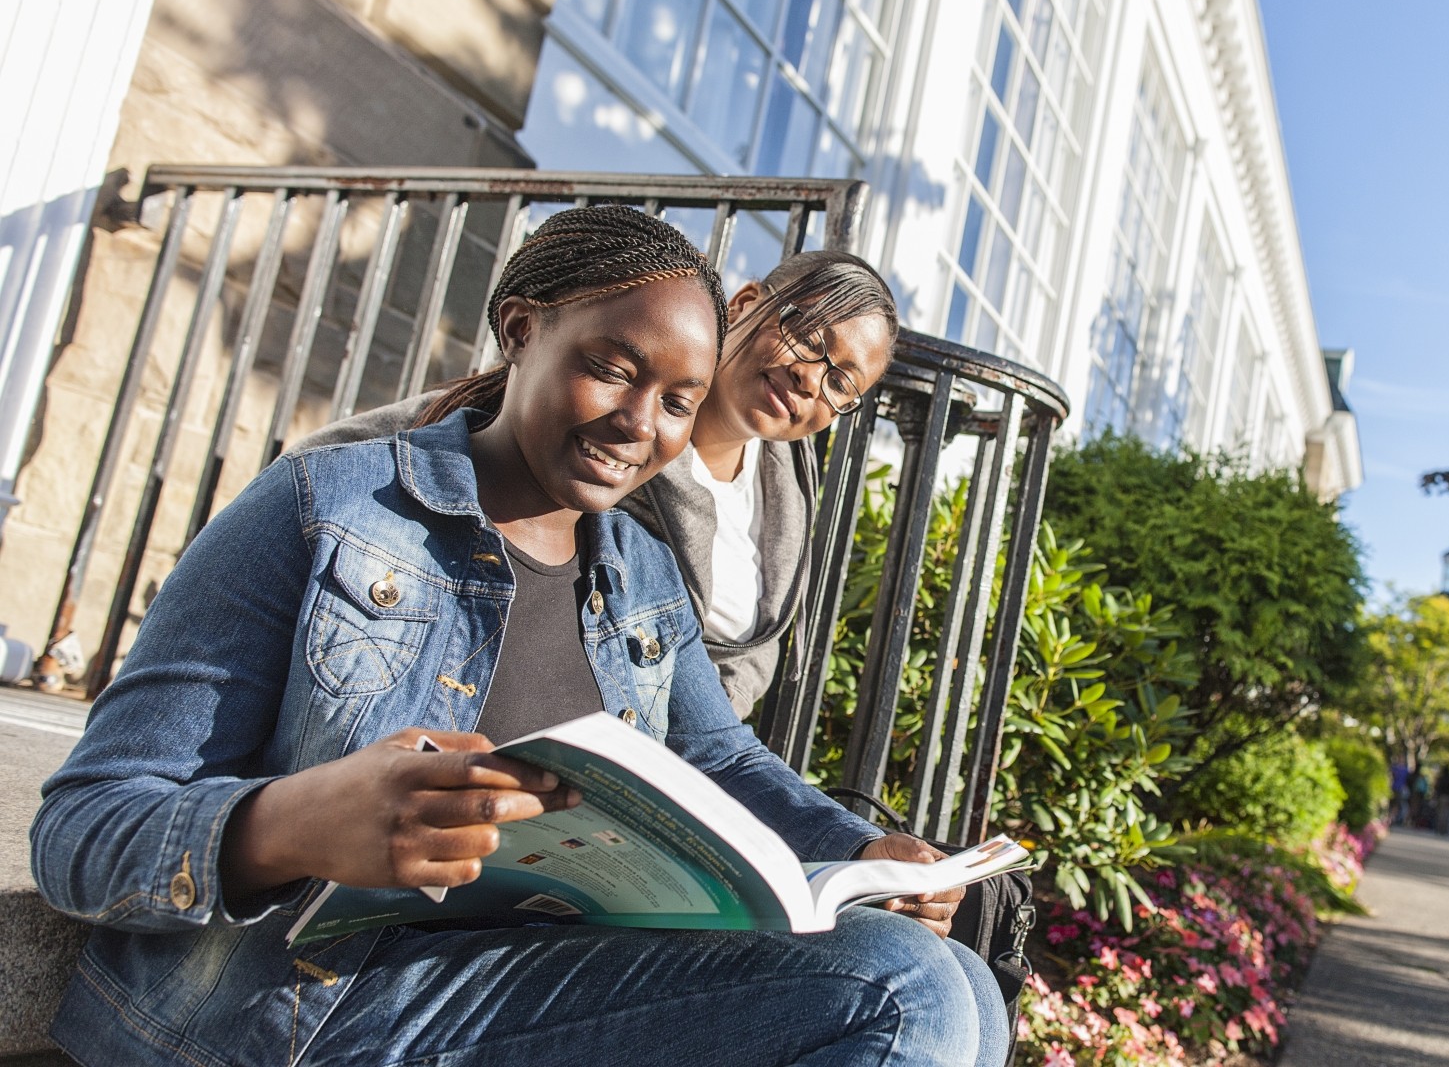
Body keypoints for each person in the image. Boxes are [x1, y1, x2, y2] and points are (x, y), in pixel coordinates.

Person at [30, 207, 1005, 1067]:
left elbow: (720, 752)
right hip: (306, 1003)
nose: (641, 424)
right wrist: (289, 824)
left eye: (676, 400)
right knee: (899, 992)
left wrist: (864, 850)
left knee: (961, 987)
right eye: (613, 371)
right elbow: (81, 834)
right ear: (520, 329)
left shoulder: (638, 570)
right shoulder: (324, 508)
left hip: (521, 984)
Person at [292, 249, 898, 719]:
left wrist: (699, 736)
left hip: (672, 761)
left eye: (844, 381)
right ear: (742, 306)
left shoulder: (787, 487)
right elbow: (373, 455)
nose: (810, 379)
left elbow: (753, 650)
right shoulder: (602, 419)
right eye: (809, 338)